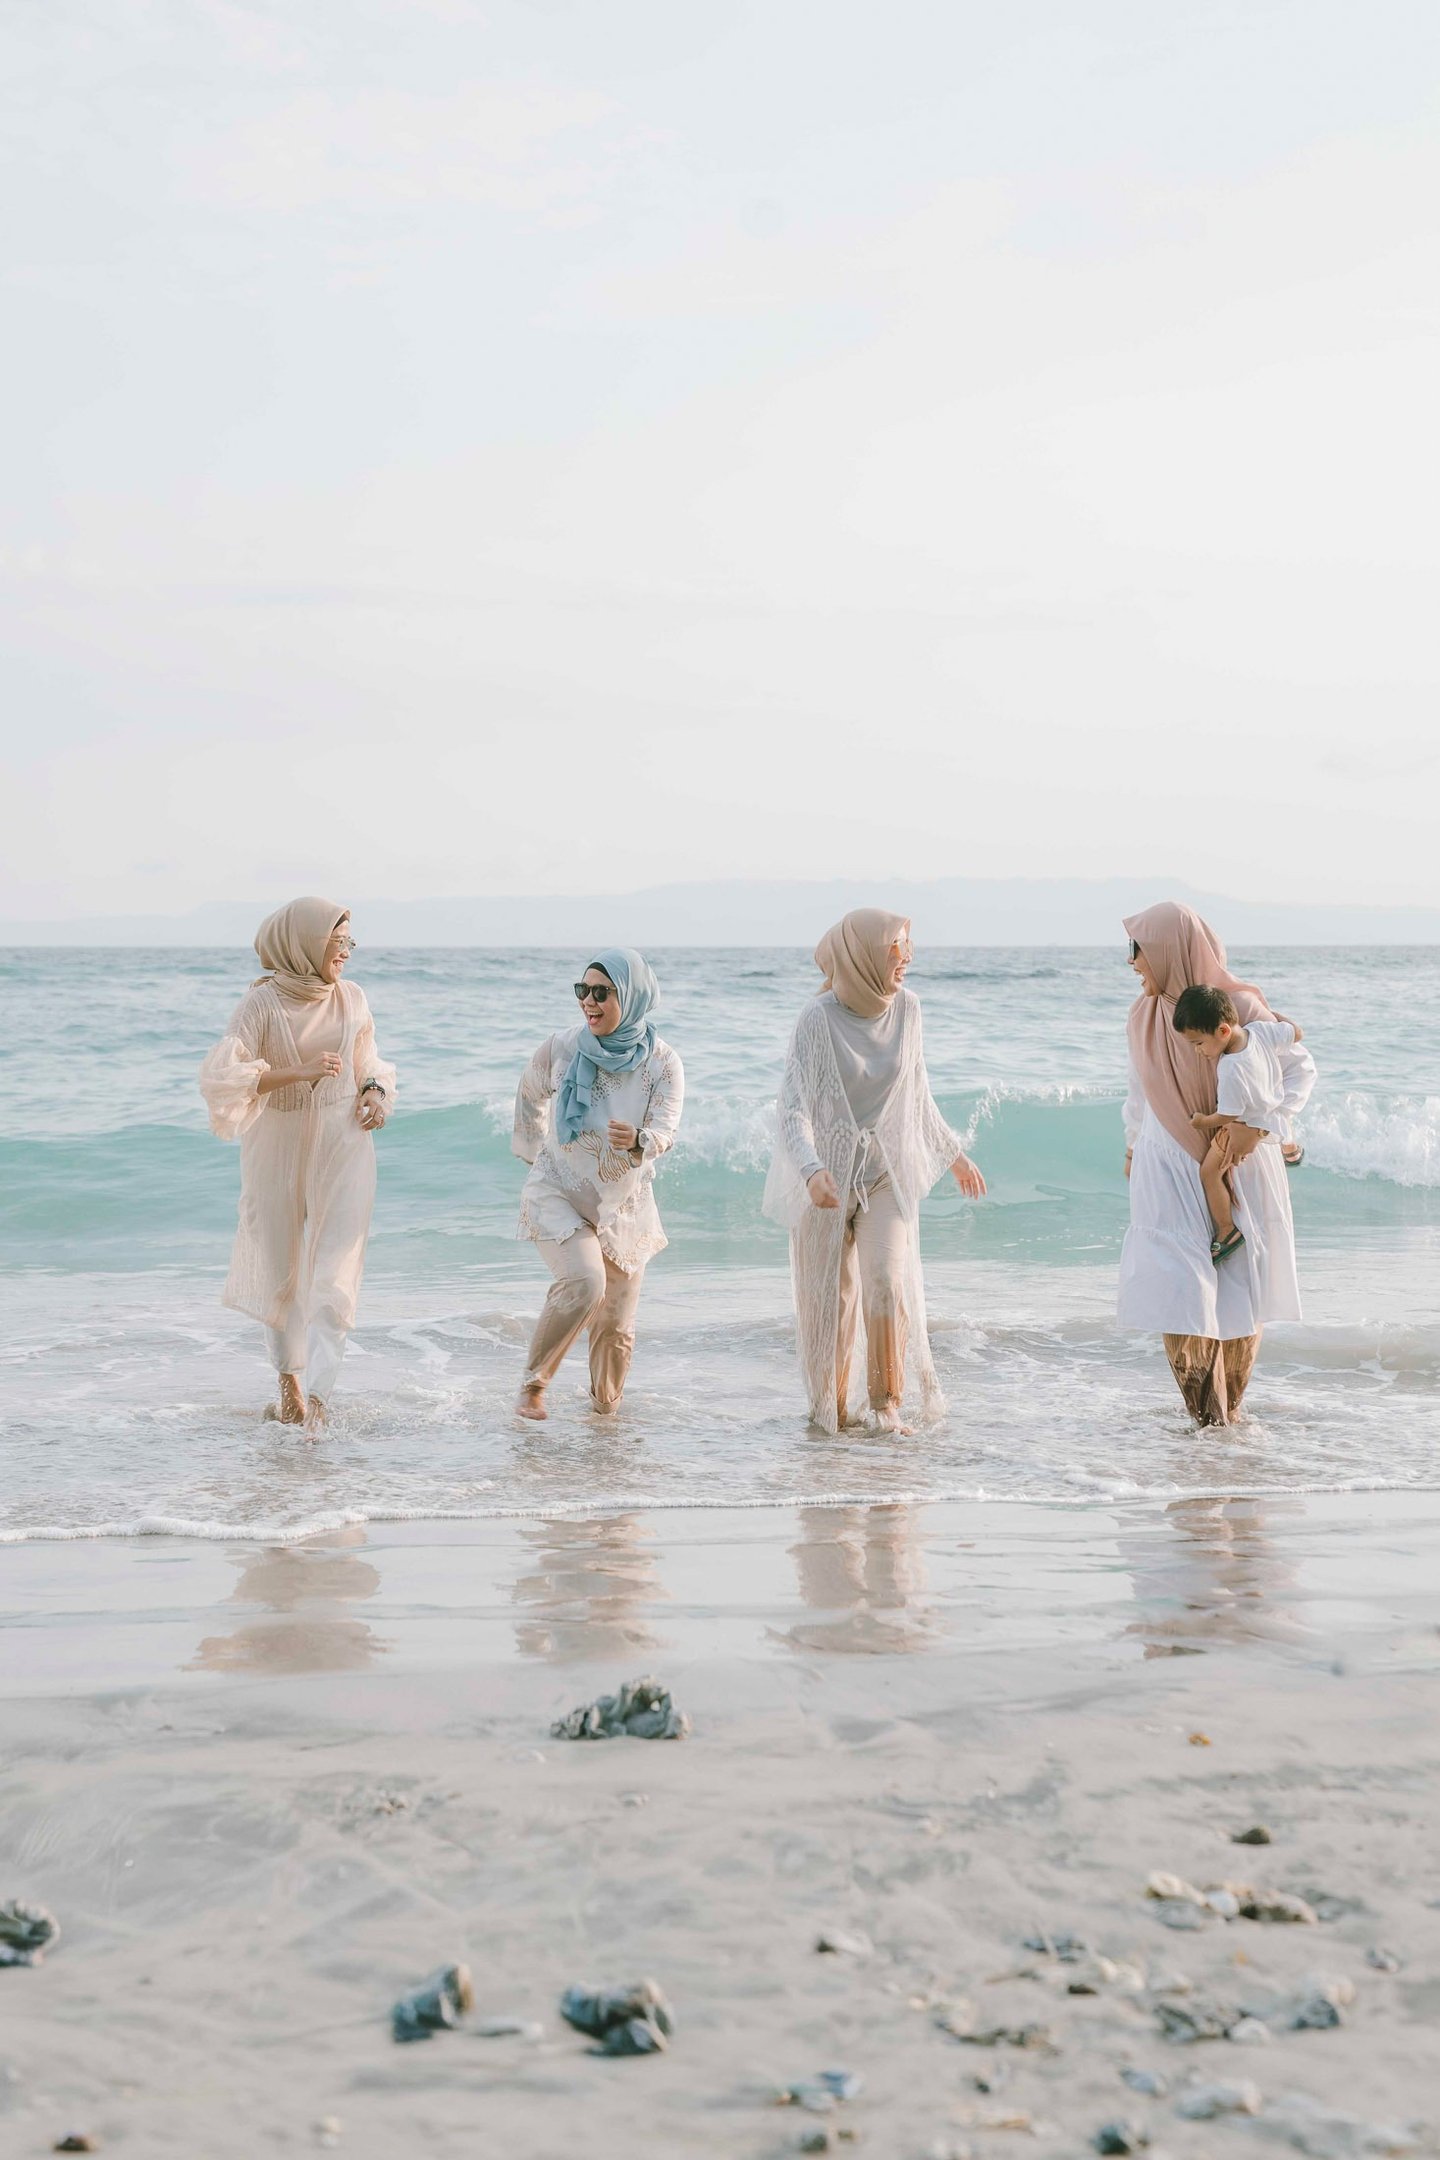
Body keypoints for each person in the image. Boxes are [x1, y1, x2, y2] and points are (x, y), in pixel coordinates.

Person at [764, 909, 986, 1435]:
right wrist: (811, 1169)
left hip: (885, 1174)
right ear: (864, 952)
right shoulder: (816, 1018)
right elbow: (793, 1108)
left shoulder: (909, 1010)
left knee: (886, 1280)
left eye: (908, 946)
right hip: (825, 1180)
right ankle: (833, 1412)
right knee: (831, 1304)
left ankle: (887, 1404)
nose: (907, 957)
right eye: (896, 947)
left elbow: (919, 1095)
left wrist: (953, 1153)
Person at [199, 897, 395, 1432]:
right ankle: (289, 1388)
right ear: (306, 942)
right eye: (340, 942)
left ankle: (320, 1398)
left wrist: (375, 1093)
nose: (347, 954)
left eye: (351, 943)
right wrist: (297, 1071)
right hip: (276, 1148)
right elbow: (222, 1078)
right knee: (283, 1272)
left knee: (336, 1271)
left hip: (344, 1143)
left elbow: (368, 1063)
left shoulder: (352, 998)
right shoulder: (260, 1005)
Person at [1118, 902, 1316, 1427]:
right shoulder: (1142, 1017)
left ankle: (1230, 1422)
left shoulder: (1239, 1008)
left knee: (1240, 1289)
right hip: (1166, 1163)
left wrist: (1263, 1127)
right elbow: (1139, 1093)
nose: (1133, 964)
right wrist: (1133, 1147)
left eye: (1138, 952)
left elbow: (1298, 1071)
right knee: (1178, 1288)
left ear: (1167, 949)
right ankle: (1204, 1423)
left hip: (1243, 1161)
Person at [511, 950, 683, 1421]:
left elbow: (666, 1129)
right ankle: (533, 1387)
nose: (588, 1001)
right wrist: (535, 1153)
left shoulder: (664, 1063)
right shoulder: (561, 1048)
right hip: (559, 1192)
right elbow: (529, 1095)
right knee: (585, 1283)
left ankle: (605, 1422)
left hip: (624, 1204)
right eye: (581, 991)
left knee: (616, 1326)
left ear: (631, 997)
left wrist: (639, 1140)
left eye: (601, 993)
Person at [1172, 983, 1312, 1265]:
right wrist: (1275, 1015)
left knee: (1209, 1173)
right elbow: (1297, 1033)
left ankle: (1227, 1231)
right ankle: (1291, 1149)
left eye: (1198, 1043)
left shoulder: (1230, 1067)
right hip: (1272, 1116)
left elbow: (1226, 1116)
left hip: (1247, 1124)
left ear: (1223, 1031)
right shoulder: (1261, 1031)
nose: (1198, 1052)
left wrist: (1201, 1122)